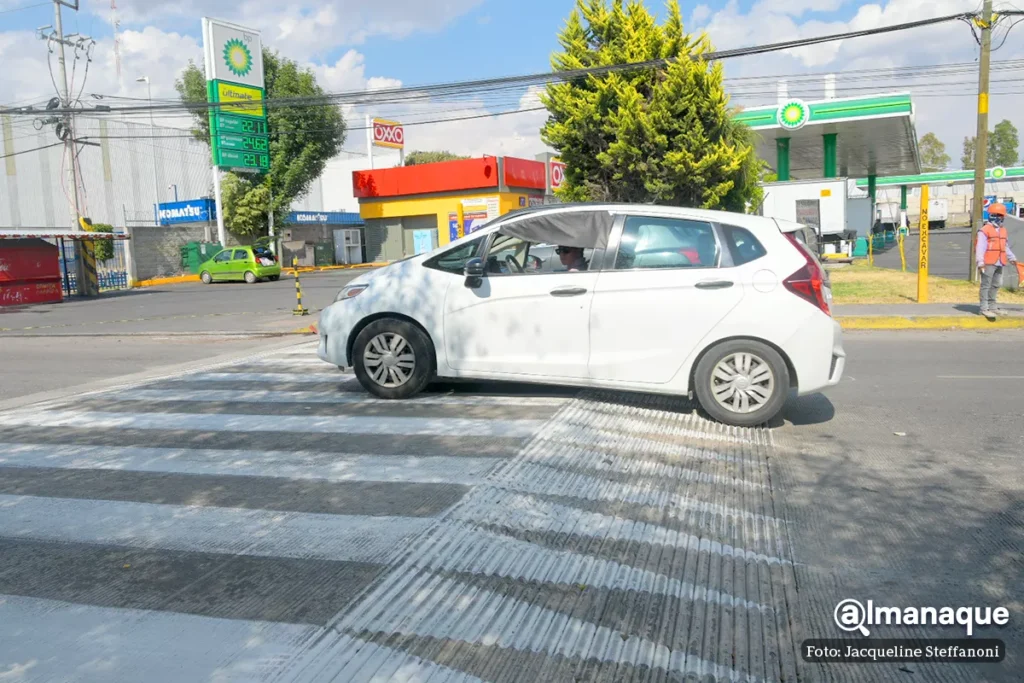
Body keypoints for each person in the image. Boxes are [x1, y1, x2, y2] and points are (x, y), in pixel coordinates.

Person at [975, 202, 1017, 321]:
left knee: (996, 284)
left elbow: (1005, 246)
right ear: (993, 215)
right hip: (988, 262)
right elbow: (980, 247)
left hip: (1000, 261)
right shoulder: (984, 230)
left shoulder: (1003, 230)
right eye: (1000, 215)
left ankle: (992, 306)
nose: (1002, 218)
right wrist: (980, 261)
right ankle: (984, 308)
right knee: (986, 285)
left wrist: (1012, 257)